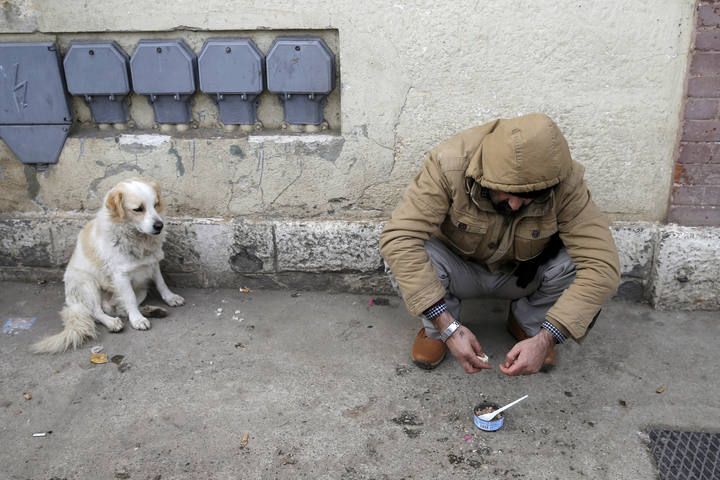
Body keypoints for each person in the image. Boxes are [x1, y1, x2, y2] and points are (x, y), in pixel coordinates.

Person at [379, 113, 620, 376]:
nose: (515, 205)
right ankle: (438, 330)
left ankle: (530, 324)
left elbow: (601, 265)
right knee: (406, 252)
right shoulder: (449, 165)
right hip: (458, 268)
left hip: (521, 274)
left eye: (531, 196)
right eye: (506, 191)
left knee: (575, 264)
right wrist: (447, 326)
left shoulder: (566, 182)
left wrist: (547, 338)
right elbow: (399, 237)